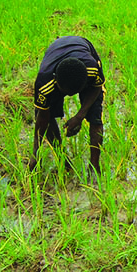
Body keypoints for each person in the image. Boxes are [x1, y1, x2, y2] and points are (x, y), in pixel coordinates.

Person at [32, 36, 106, 175]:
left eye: (76, 92)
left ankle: (94, 168)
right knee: (49, 115)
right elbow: (42, 117)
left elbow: (96, 87)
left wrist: (79, 116)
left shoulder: (92, 68)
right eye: (67, 93)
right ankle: (63, 160)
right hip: (55, 53)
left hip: (83, 47)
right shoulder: (44, 83)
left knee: (95, 115)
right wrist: (35, 152)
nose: (71, 96)